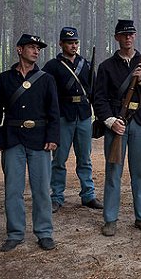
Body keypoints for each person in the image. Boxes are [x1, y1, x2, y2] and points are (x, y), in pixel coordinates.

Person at [0, 34, 60, 252]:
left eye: (38, 48)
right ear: (19, 50)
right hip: (12, 139)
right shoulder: (2, 80)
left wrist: (53, 137)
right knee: (13, 190)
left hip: (39, 140)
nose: (36, 51)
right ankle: (15, 233)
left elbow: (54, 112)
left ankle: (44, 233)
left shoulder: (47, 79)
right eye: (31, 47)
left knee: (41, 190)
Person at [92, 19, 141, 237]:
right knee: (114, 173)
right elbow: (99, 98)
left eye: (131, 34)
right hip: (116, 124)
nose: (128, 38)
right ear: (117, 38)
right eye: (124, 35)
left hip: (140, 121)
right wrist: (110, 121)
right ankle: (110, 219)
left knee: (139, 172)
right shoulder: (106, 67)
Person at [42, 27, 103, 213]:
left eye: (76, 42)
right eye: (70, 43)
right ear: (61, 44)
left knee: (85, 159)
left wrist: (98, 115)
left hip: (84, 114)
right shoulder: (52, 66)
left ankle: (88, 195)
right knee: (59, 159)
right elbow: (46, 93)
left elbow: (93, 91)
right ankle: (57, 196)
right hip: (62, 115)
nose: (73, 46)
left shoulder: (85, 63)